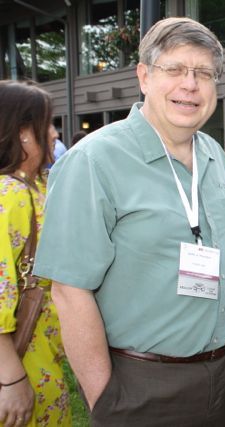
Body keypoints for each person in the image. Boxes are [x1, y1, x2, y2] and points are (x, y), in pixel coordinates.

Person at [33, 17, 225, 426]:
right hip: (140, 383)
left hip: (221, 375)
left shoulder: (215, 156)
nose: (190, 84)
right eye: (175, 69)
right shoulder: (94, 160)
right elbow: (69, 289)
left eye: (204, 73)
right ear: (144, 76)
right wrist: (107, 400)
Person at [0, 80, 71, 427]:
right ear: (21, 132)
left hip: (42, 354)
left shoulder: (36, 186)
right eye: (48, 123)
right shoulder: (9, 194)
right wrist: (11, 380)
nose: (54, 133)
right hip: (20, 364)